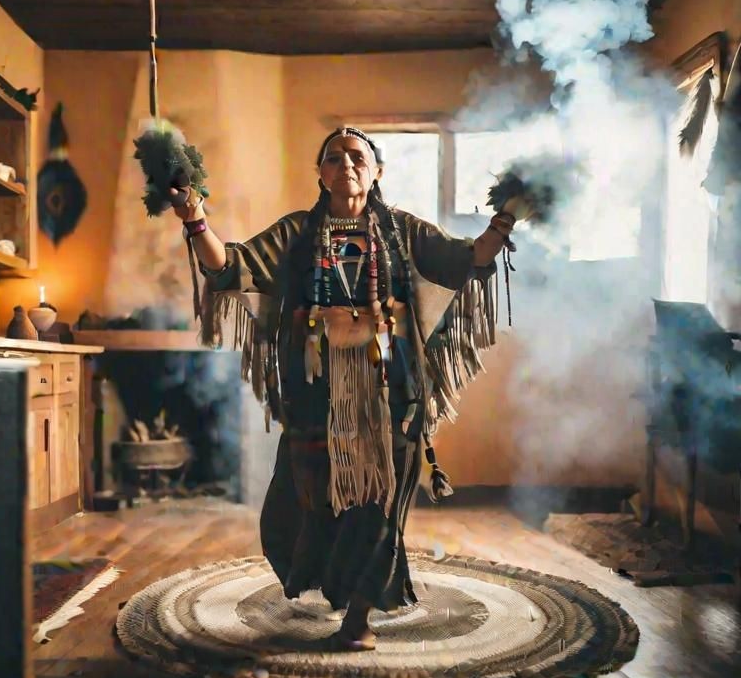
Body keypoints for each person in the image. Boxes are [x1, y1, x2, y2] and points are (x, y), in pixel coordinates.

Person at [172, 126, 529, 651]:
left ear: (378, 171)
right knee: (308, 500)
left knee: (379, 500)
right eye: (334, 157)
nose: (347, 164)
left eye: (358, 157)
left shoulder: (404, 232)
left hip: (390, 389)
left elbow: (468, 259)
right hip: (318, 388)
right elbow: (229, 266)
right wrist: (194, 218)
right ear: (320, 173)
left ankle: (358, 614)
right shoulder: (297, 233)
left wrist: (506, 216)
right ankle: (330, 582)